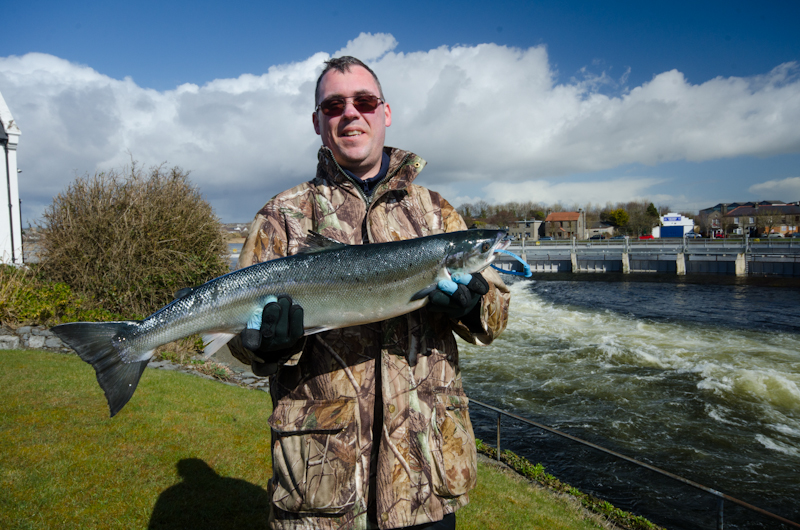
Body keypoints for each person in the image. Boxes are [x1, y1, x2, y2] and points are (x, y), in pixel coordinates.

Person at [229, 56, 511, 530]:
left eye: (364, 100)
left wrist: (476, 303)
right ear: (318, 122)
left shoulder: (438, 213)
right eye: (334, 104)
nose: (350, 113)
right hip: (320, 486)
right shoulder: (281, 216)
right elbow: (238, 335)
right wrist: (262, 345)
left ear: (386, 112)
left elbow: (498, 315)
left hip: (427, 475)